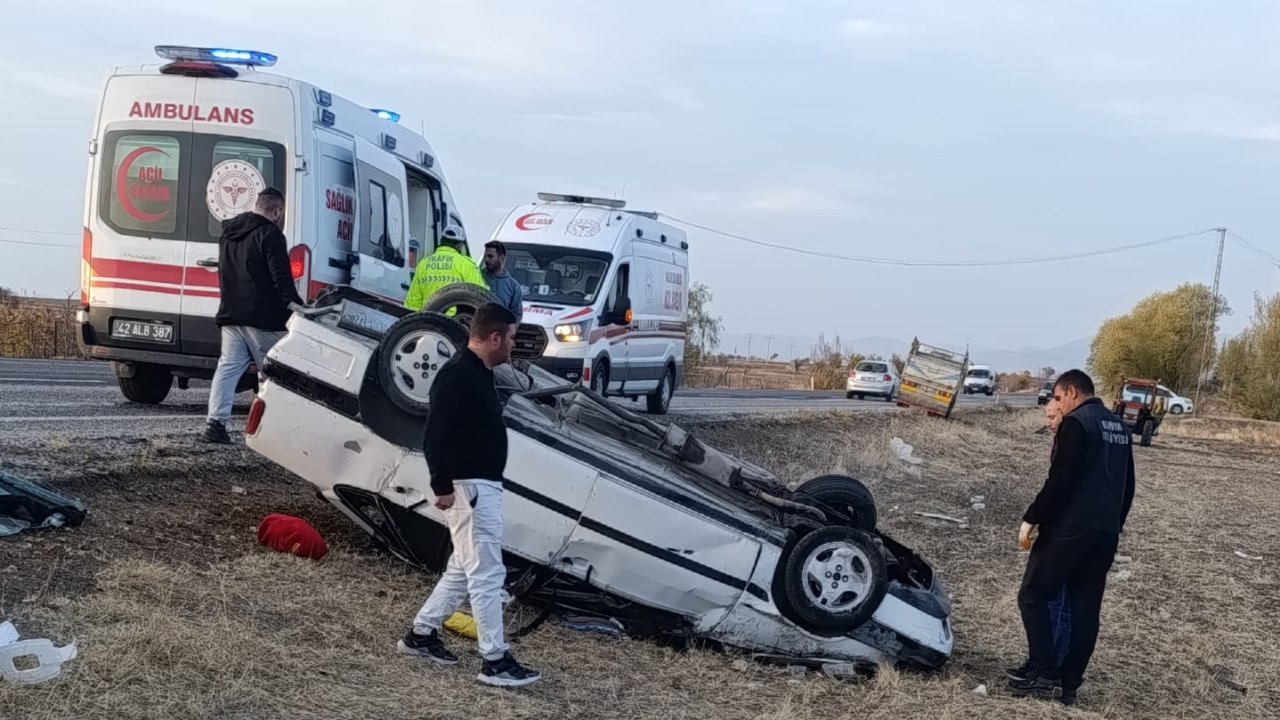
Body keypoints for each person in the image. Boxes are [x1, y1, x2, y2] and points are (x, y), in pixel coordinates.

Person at [397, 303, 541, 688]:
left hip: (478, 485)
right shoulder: (459, 375)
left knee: (463, 570)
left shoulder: (477, 373)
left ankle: (422, 634)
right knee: (487, 573)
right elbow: (435, 434)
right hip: (469, 489)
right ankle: (494, 660)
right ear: (494, 338)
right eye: (510, 337)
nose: (513, 344)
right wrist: (441, 484)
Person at [1009, 370, 1136, 706]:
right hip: (1105, 533)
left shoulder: (1078, 423)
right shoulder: (1119, 427)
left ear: (1071, 391)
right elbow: (1129, 486)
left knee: (1033, 594)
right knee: (1085, 609)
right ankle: (1069, 683)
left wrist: (1033, 517)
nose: (1058, 405)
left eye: (1058, 397)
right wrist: (1114, 524)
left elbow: (1061, 479)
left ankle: (1045, 669)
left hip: (1071, 528)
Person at [202, 188, 302, 444]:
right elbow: (280, 277)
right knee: (276, 373)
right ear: (277, 211)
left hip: (232, 314)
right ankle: (274, 432)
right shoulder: (271, 235)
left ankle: (215, 424)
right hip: (264, 319)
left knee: (227, 368)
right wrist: (297, 307)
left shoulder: (229, 234)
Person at [1008, 395, 1072, 681]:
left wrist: (1033, 518)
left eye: (1053, 417)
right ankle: (1056, 661)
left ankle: (1046, 665)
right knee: (1064, 600)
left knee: (1047, 598)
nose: (1049, 423)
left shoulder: (1072, 438)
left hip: (1065, 532)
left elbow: (1058, 485)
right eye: (1046, 417)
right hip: (1079, 532)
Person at [404, 233, 487, 312]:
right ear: (460, 245)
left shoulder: (423, 264)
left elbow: (412, 304)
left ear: (441, 241)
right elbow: (482, 297)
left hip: (428, 321)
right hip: (455, 322)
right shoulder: (466, 265)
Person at [480, 240, 523, 322]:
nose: (486, 260)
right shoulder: (478, 276)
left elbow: (516, 313)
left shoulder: (513, 286)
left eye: (490, 256)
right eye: (485, 256)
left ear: (501, 258)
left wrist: (510, 330)